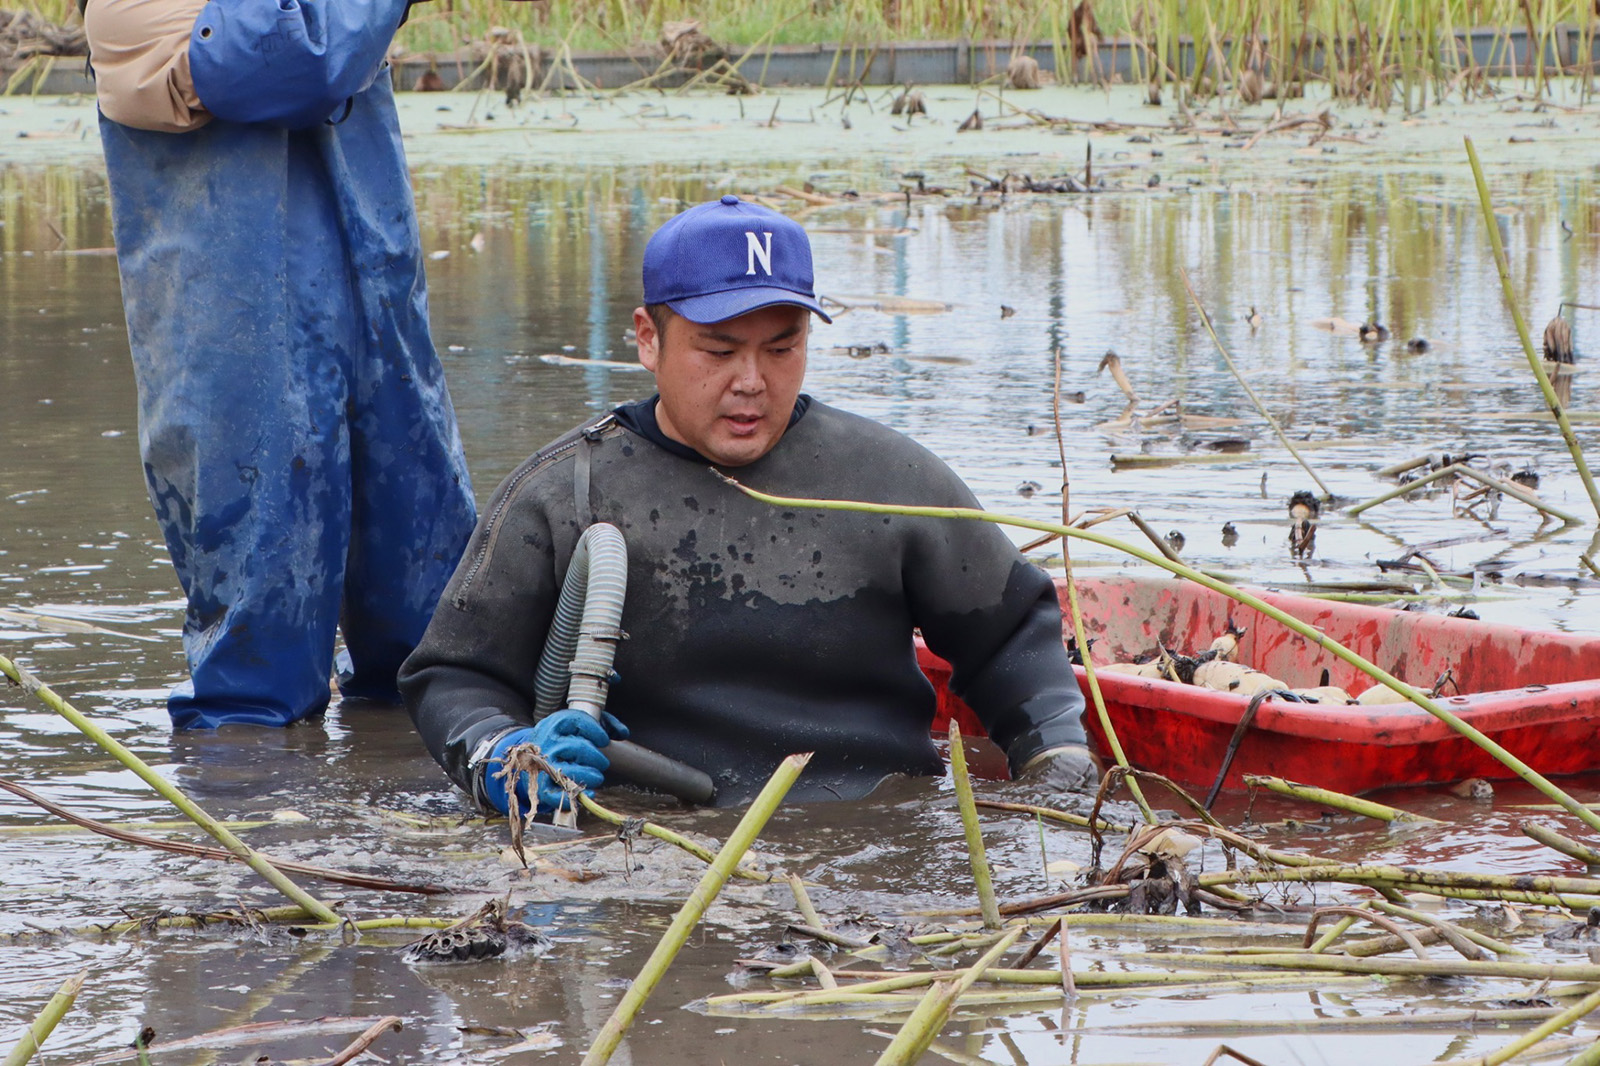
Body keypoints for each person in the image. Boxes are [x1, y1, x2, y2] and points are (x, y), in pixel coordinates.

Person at [401, 196, 1094, 814]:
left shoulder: (890, 480)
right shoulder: (565, 492)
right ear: (648, 338)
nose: (752, 382)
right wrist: (502, 757)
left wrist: (1058, 762)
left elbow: (1010, 634)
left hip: (874, 825)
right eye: (719, 350)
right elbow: (453, 675)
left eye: (782, 348)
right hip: (656, 835)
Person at [82, 0, 478, 728]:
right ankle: (248, 798)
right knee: (254, 673)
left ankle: (422, 777)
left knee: (439, 653)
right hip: (234, 351)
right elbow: (296, 62)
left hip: (377, 321)